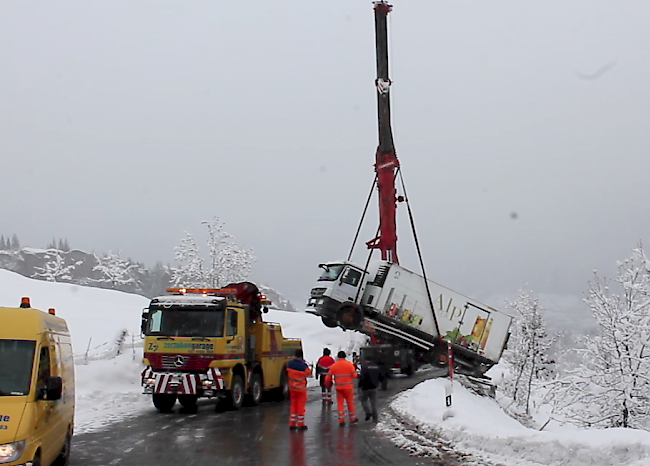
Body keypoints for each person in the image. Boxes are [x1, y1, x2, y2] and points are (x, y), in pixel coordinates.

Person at [325, 350, 358, 426]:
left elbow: (328, 377)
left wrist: (327, 384)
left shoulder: (334, 365)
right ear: (345, 356)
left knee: (340, 403)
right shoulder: (349, 364)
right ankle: (352, 418)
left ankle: (341, 419)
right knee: (350, 403)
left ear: (338, 357)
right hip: (348, 388)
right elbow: (355, 375)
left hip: (339, 388)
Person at [286, 349, 312, 430]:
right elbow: (308, 373)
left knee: (293, 405)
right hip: (301, 389)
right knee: (300, 406)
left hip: (292, 388)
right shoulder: (303, 366)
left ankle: (292, 423)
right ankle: (300, 424)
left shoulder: (289, 364)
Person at [358, 356, 383, 422]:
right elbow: (381, 377)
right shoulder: (377, 367)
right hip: (374, 387)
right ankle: (375, 418)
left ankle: (368, 412)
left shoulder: (365, 367)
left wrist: (359, 386)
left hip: (365, 387)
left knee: (363, 400)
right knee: (373, 403)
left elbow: (362, 378)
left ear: (366, 360)